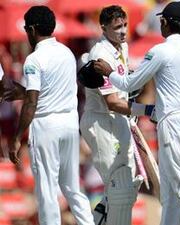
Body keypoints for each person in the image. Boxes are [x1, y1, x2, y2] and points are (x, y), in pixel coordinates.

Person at [93, 2, 180, 225]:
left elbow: (129, 83)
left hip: (174, 123)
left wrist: (109, 72)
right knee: (170, 191)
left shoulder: (160, 51)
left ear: (165, 23)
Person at [7, 6, 95, 225]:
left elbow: (33, 101)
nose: (27, 34)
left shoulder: (34, 59)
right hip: (69, 124)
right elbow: (47, 91)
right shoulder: (66, 53)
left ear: (34, 29)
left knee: (46, 189)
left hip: (46, 126)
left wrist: (17, 137)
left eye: (27, 29)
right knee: (72, 187)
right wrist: (20, 91)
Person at [79, 5, 153, 225]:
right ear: (103, 28)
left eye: (124, 25)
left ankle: (100, 219)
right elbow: (111, 102)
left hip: (120, 119)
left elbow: (124, 87)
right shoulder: (100, 55)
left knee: (127, 186)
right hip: (100, 121)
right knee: (118, 185)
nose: (122, 31)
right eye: (117, 27)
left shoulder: (123, 47)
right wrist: (147, 110)